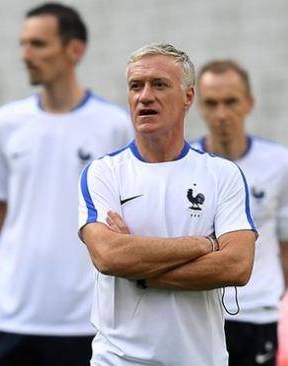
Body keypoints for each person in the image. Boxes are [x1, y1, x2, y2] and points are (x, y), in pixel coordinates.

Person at [78, 43, 258, 365]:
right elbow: (108, 256)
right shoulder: (103, 172)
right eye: (136, 86)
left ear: (188, 97)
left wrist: (138, 269)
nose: (145, 96)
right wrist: (203, 244)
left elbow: (237, 266)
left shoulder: (222, 174)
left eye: (159, 84)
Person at [0, 3, 132, 365]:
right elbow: (2, 211)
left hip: (87, 319)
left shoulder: (114, 126)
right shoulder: (5, 122)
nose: (25, 55)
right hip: (11, 314)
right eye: (23, 44)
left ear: (74, 50)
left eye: (38, 45)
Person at [192, 60, 288, 366]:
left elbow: (285, 244)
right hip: (198, 313)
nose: (222, 114)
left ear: (249, 103)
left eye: (231, 102)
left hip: (257, 314)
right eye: (211, 103)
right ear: (198, 106)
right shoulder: (185, 165)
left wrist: (276, 300)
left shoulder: (279, 163)